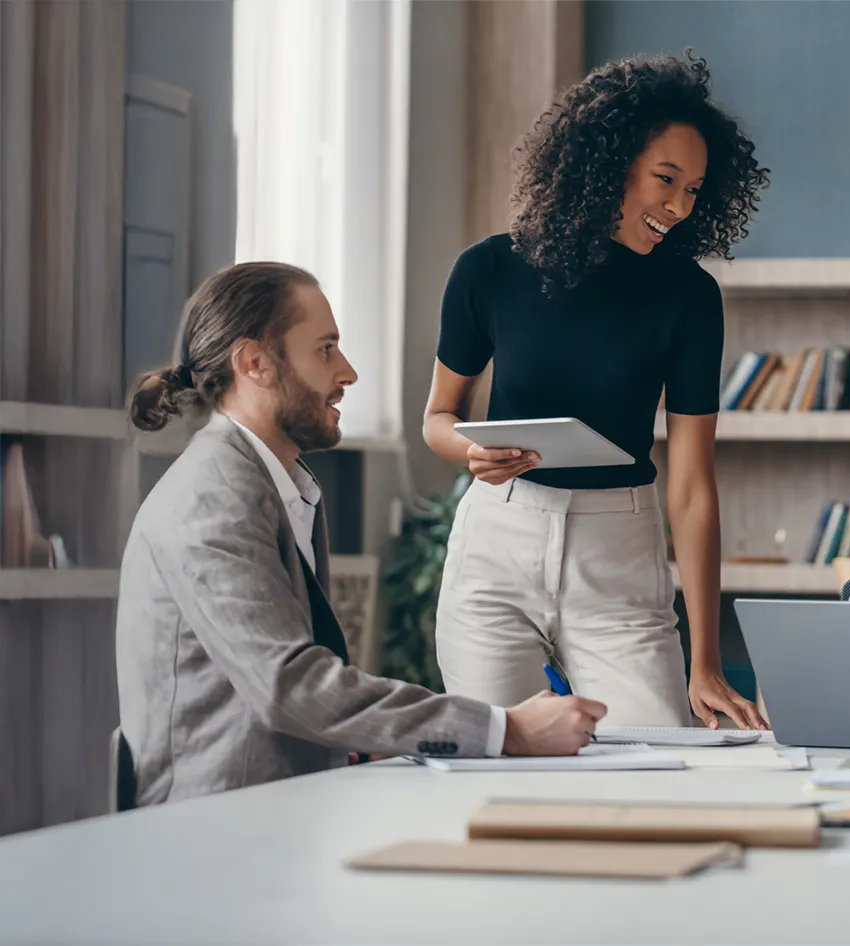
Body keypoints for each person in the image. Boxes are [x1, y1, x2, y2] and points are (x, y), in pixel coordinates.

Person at [118, 262, 606, 806]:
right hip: (212, 828)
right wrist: (507, 730)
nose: (347, 373)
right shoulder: (212, 500)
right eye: (325, 349)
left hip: (274, 810)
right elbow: (291, 686)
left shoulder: (274, 484)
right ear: (254, 362)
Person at [422, 53, 771, 730]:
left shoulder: (689, 297)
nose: (678, 207)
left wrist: (706, 661)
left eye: (695, 190)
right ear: (606, 162)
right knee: (500, 759)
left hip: (619, 553)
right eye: (665, 179)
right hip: (497, 540)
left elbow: (693, 485)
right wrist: (467, 455)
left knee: (656, 756)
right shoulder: (488, 270)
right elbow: (440, 417)